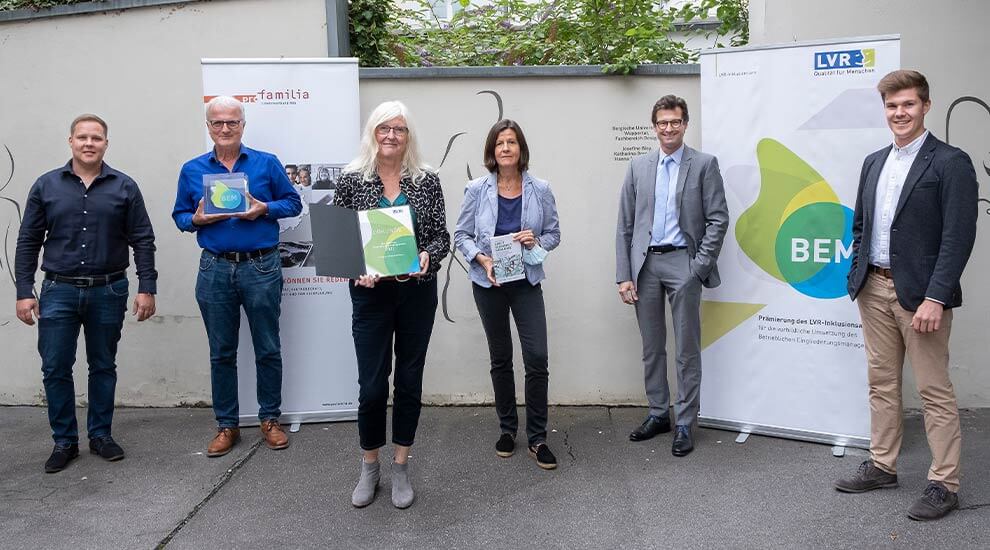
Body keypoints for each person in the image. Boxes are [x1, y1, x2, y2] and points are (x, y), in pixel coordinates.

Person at [834, 70, 979, 522]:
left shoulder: (951, 162)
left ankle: (945, 483)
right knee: (881, 384)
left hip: (921, 296)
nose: (899, 113)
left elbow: (959, 236)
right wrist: (857, 273)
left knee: (934, 391)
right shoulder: (874, 161)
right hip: (873, 289)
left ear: (926, 106)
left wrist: (936, 297)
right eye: (892, 106)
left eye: (908, 105)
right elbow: (861, 225)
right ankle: (882, 465)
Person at [15, 114, 157, 473]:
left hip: (108, 289)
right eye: (82, 137)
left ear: (106, 143)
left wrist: (147, 287)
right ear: (71, 141)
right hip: (57, 290)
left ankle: (100, 436)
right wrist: (23, 290)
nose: (89, 143)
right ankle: (64, 442)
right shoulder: (46, 186)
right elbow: (28, 241)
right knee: (55, 368)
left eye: (96, 137)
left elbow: (142, 239)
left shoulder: (124, 187)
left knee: (103, 365)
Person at [333, 100, 449, 509]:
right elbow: (338, 240)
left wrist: (426, 257)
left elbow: (441, 237)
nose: (391, 136)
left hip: (416, 293)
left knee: (409, 381)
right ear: (372, 133)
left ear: (408, 136)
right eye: (384, 128)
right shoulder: (351, 181)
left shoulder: (427, 180)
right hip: (370, 296)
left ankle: (400, 465)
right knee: (371, 386)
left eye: (399, 129)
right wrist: (355, 267)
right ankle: (370, 465)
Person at [172, 96, 302, 457]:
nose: (225, 129)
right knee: (221, 351)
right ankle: (226, 425)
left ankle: (270, 420)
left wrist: (264, 208)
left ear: (243, 125)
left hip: (261, 266)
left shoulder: (266, 163)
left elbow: (293, 203)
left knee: (267, 346)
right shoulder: (192, 169)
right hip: (215, 267)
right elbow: (180, 215)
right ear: (208, 126)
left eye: (232, 122)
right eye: (218, 123)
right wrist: (196, 219)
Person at [615, 94, 728, 457]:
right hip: (645, 266)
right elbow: (625, 226)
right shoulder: (638, 166)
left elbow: (718, 218)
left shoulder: (704, 164)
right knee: (652, 348)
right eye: (662, 122)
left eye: (675, 122)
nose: (668, 128)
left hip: (684, 264)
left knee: (686, 349)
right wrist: (624, 275)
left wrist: (699, 267)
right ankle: (658, 413)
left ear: (685, 124)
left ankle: (684, 422)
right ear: (654, 126)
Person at [453, 119, 561, 470]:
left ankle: (538, 437)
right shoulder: (476, 189)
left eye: (511, 142)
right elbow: (462, 236)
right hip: (489, 285)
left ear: (520, 148)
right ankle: (507, 429)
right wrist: (480, 258)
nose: (505, 148)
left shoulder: (541, 189)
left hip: (526, 282)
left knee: (537, 358)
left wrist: (535, 241)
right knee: (500, 358)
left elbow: (554, 234)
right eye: (499, 143)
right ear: (491, 150)